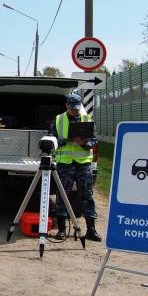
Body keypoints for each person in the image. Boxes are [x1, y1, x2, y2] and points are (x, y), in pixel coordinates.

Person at [49, 93, 101, 242]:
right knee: (62, 195)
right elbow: (51, 138)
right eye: (72, 108)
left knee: (87, 195)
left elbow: (94, 141)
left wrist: (84, 143)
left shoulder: (87, 119)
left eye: (77, 109)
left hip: (83, 163)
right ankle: (61, 230)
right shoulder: (59, 120)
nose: (75, 111)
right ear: (67, 106)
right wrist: (66, 140)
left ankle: (91, 230)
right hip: (65, 163)